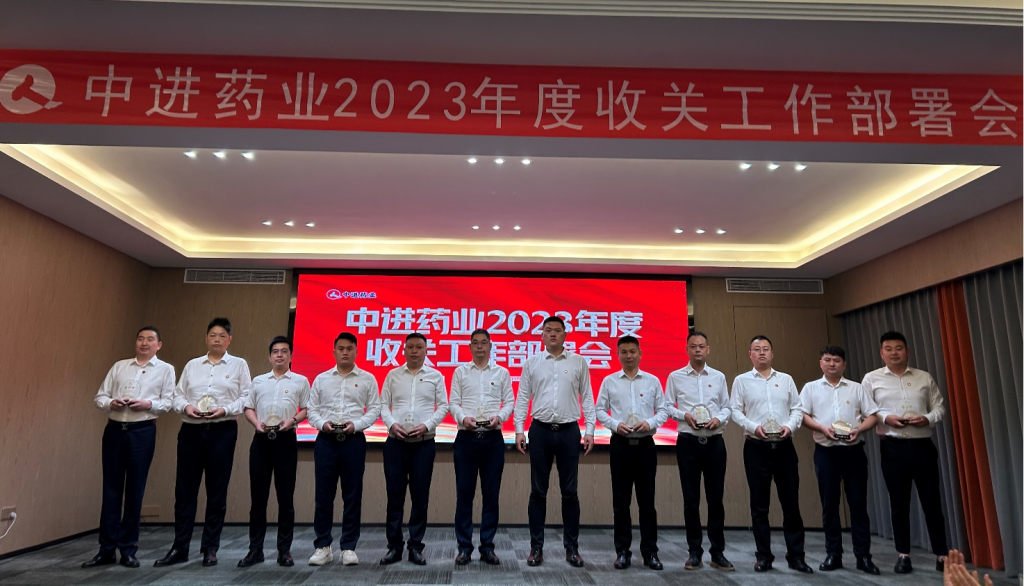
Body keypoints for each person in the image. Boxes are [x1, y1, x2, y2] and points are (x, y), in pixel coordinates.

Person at [155, 317, 252, 568]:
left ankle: (210, 547)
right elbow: (177, 395)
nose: (217, 339)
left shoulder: (239, 365)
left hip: (222, 431)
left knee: (216, 491)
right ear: (206, 338)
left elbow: (247, 397)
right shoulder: (192, 365)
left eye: (222, 335)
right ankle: (180, 547)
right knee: (184, 490)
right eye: (212, 335)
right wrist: (186, 407)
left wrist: (225, 409)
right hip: (191, 430)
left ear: (229, 340)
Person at [83, 326, 175, 569]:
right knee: (110, 491)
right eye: (140, 338)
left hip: (142, 432)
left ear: (159, 345)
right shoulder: (119, 366)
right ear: (136, 342)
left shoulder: (165, 369)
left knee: (135, 491)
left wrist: (148, 404)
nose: (144, 343)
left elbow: (168, 402)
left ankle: (128, 549)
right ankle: (106, 550)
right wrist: (110, 403)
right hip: (114, 430)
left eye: (150, 339)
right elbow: (100, 397)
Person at [514, 315, 597, 568]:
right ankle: (536, 548)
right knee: (538, 492)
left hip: (569, 432)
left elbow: (587, 397)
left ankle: (572, 548)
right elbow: (522, 397)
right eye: (548, 330)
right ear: (541, 335)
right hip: (540, 431)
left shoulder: (578, 362)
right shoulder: (532, 363)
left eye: (557, 330)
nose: (552, 334)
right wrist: (519, 430)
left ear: (565, 334)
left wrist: (590, 430)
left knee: (570, 493)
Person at [863, 330, 948, 574]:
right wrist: (885, 417)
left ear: (907, 352)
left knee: (932, 502)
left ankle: (942, 555)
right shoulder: (871, 379)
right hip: (893, 447)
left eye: (898, 348)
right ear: (881, 353)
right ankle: (903, 555)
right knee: (899, 504)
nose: (894, 353)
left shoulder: (924, 377)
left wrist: (927, 418)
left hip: (923, 447)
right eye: (888, 349)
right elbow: (866, 409)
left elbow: (939, 408)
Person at [730, 335, 812, 573]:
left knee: (791, 504)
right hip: (756, 447)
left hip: (784, 447)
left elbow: (797, 409)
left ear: (772, 353)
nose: (762, 352)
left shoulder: (786, 379)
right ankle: (764, 556)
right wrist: (753, 426)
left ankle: (796, 556)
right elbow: (735, 410)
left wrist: (790, 426)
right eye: (757, 349)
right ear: (750, 355)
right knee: (759, 506)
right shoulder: (741, 381)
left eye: (766, 349)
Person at [799, 345, 880, 574]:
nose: (832, 364)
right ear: (820, 363)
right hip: (826, 452)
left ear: (844, 364)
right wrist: (821, 428)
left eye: (836, 360)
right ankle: (833, 554)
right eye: (827, 360)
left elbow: (873, 416)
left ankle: (863, 556)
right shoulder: (811, 388)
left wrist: (859, 429)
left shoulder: (856, 388)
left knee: (858, 505)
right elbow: (802, 415)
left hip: (853, 452)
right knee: (830, 505)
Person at [307, 332, 381, 567]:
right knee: (323, 496)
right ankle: (322, 546)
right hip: (326, 441)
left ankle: (348, 547)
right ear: (334, 351)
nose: (345, 352)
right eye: (341, 348)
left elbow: (375, 409)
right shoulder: (321, 379)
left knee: (352, 495)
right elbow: (311, 410)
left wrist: (356, 425)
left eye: (350, 348)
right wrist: (322, 424)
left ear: (357, 351)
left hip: (353, 441)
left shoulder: (368, 379)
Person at [595, 335, 668, 571]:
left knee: (647, 503)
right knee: (621, 503)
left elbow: (663, 411)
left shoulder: (652, 381)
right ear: (618, 355)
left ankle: (650, 552)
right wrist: (615, 424)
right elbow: (599, 410)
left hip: (645, 446)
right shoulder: (609, 381)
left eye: (632, 351)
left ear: (640, 354)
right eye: (624, 352)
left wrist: (650, 423)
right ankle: (622, 552)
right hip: (620, 445)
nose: (628, 356)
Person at [664, 331, 734, 571]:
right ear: (687, 349)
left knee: (716, 500)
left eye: (701, 346)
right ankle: (694, 552)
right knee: (691, 501)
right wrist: (683, 415)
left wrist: (718, 419)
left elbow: (727, 407)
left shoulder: (718, 376)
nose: (697, 350)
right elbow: (666, 406)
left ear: (708, 349)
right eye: (693, 346)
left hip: (714, 443)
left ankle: (718, 553)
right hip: (688, 443)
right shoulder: (675, 377)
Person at [238, 336, 309, 568]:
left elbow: (307, 408)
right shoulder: (258, 381)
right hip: (261, 440)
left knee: (285, 499)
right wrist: (255, 422)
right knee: (258, 500)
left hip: (285, 440)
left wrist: (293, 420)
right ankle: (255, 550)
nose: (280, 355)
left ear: (291, 356)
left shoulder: (300, 381)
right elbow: (248, 407)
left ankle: (284, 551)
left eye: (284, 351)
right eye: (275, 351)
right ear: (269, 357)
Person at [379, 333, 449, 565]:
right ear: (404, 350)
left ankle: (416, 546)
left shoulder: (435, 376)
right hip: (395, 443)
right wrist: (392, 424)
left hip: (423, 444)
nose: (414, 351)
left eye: (419, 347)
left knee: (420, 498)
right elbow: (383, 405)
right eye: (410, 347)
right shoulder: (392, 375)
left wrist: (427, 425)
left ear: (426, 350)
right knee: (394, 497)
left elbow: (444, 406)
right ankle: (394, 546)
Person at [448, 329, 513, 565]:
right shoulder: (460, 372)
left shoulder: (502, 372)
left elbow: (510, 402)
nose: (479, 347)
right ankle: (464, 547)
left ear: (490, 346)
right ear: (469, 347)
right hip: (466, 438)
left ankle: (487, 547)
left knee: (491, 495)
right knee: (464, 494)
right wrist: (463, 418)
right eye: (475, 343)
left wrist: (500, 417)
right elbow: (453, 403)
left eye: (483, 343)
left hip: (492, 439)